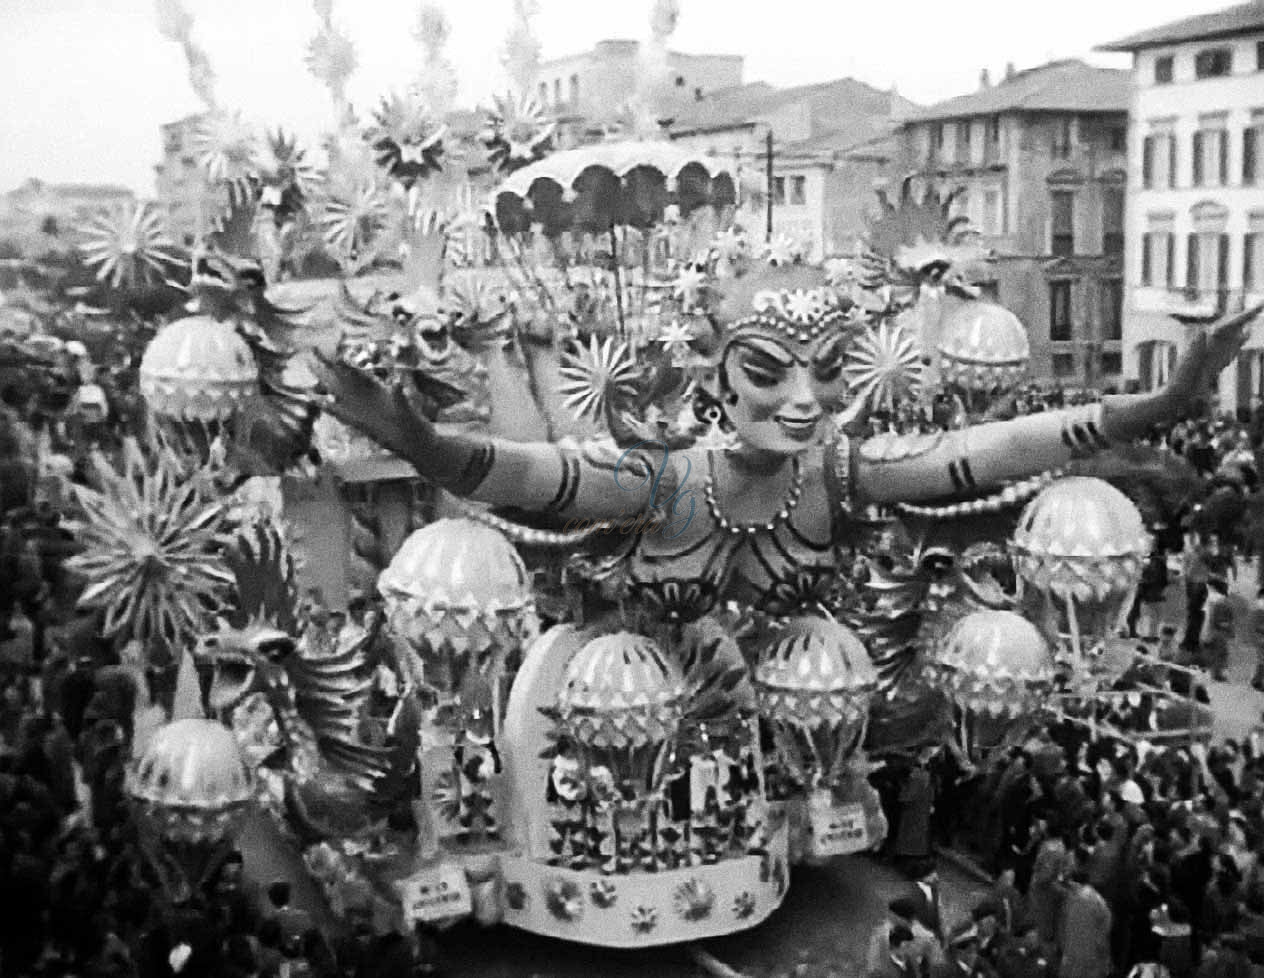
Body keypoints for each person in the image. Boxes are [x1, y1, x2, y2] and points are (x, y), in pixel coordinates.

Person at [313, 261, 1261, 633]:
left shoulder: (840, 473)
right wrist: (421, 441)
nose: (805, 402)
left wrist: (1170, 397)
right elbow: (523, 473)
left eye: (830, 372)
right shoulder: (658, 482)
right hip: (609, 724)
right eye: (769, 373)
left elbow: (1004, 444)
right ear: (715, 379)